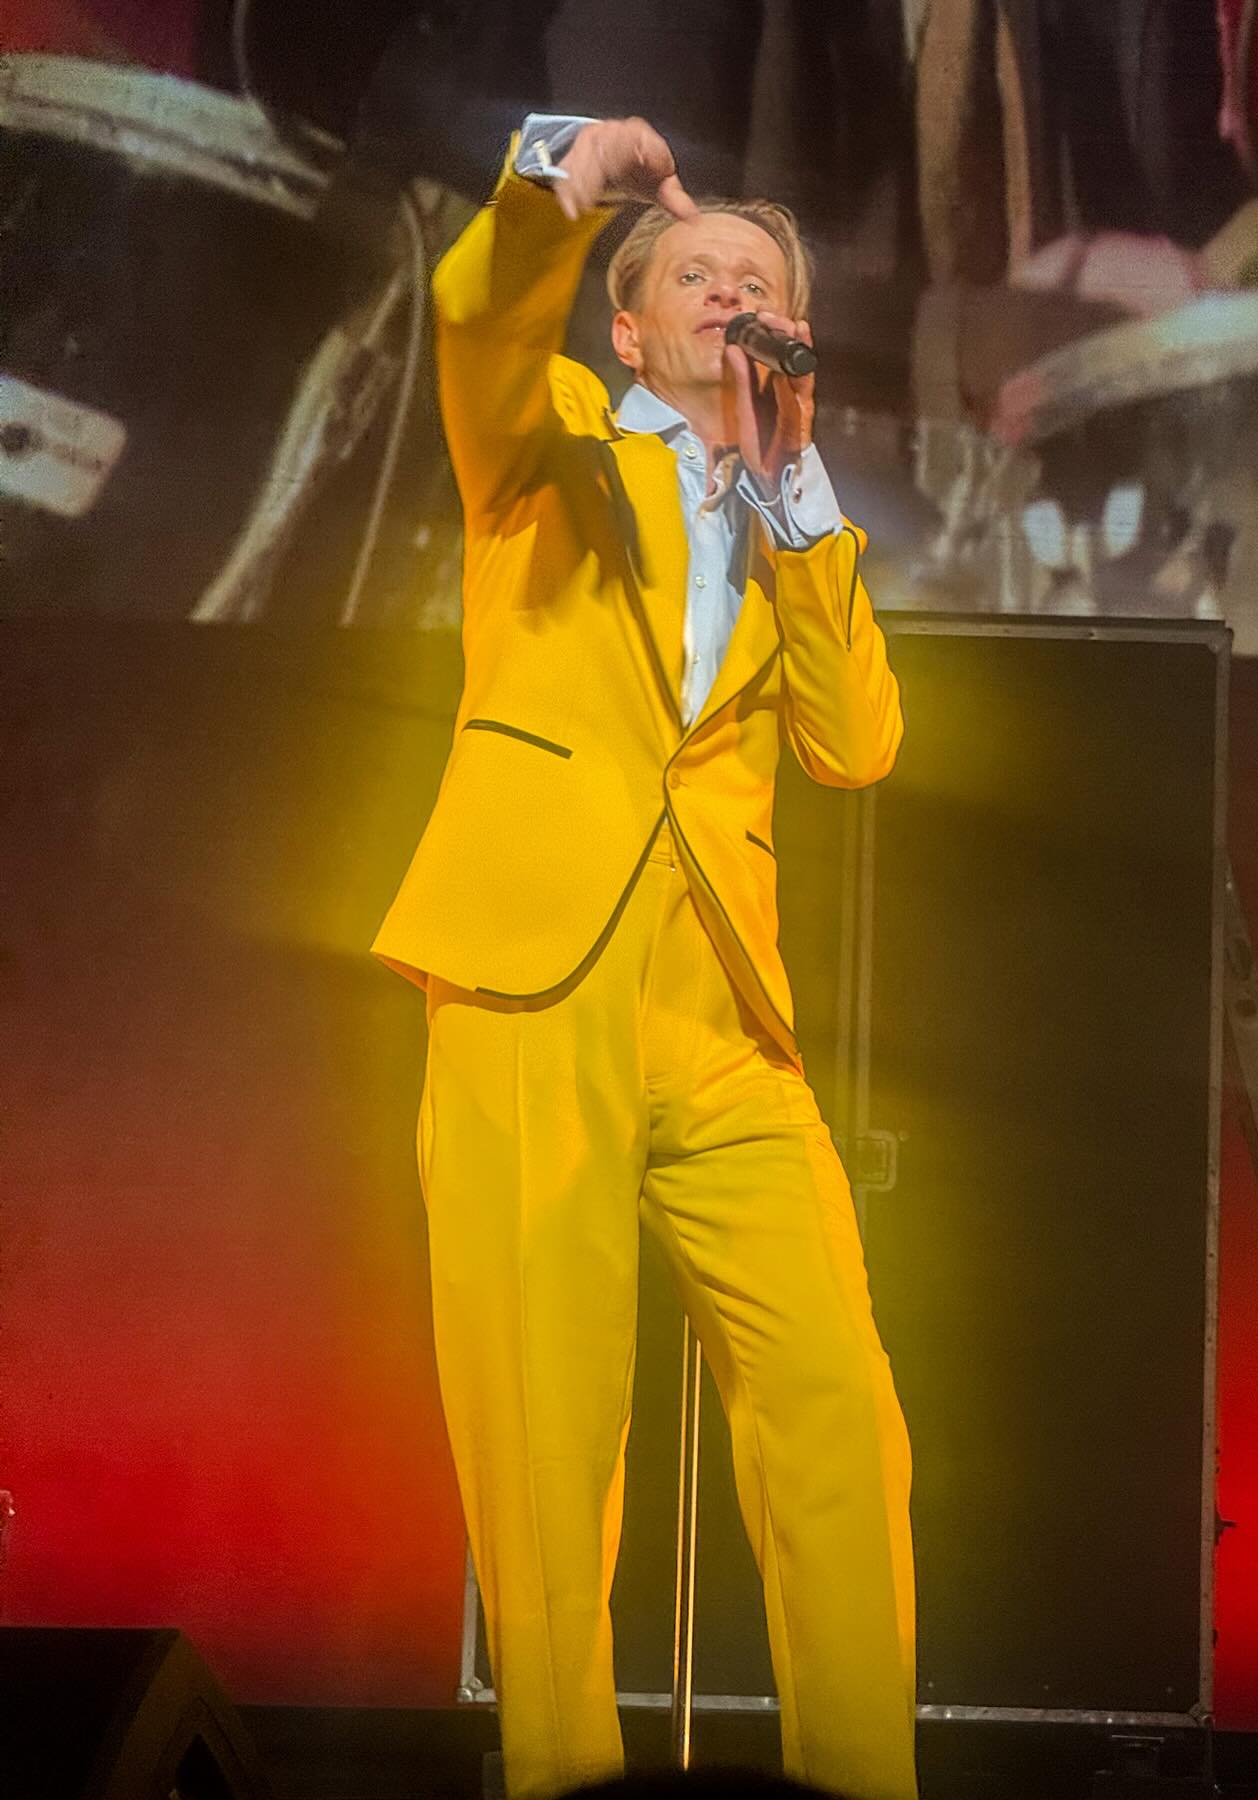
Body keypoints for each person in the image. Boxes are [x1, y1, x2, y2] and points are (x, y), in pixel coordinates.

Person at [372, 113, 916, 1800]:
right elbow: (475, 313)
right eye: (699, 272)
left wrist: (795, 484)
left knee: (837, 1410)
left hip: (722, 1011)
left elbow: (857, 745)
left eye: (761, 278)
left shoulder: (788, 516)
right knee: (550, 1446)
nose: (734, 289)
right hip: (534, 975)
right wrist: (559, 176)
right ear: (629, 328)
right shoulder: (544, 436)